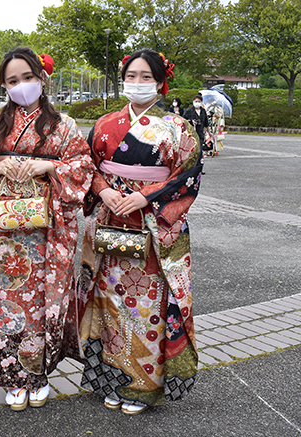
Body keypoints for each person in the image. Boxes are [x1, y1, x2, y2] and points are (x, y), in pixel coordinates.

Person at [0, 47, 94, 411]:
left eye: (28, 78)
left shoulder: (62, 125)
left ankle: (37, 373)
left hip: (46, 230)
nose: (22, 86)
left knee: (40, 298)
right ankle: (11, 375)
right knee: (1, 296)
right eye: (13, 81)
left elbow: (82, 164)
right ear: (4, 84)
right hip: (1, 228)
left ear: (41, 78)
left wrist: (45, 168)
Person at [75, 49, 202, 415]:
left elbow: (186, 177)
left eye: (146, 77)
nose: (138, 83)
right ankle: (111, 380)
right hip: (109, 222)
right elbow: (89, 165)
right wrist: (103, 191)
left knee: (147, 308)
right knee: (109, 304)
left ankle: (143, 386)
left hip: (152, 231)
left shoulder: (179, 129)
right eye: (132, 76)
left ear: (161, 82)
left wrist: (144, 198)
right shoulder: (104, 124)